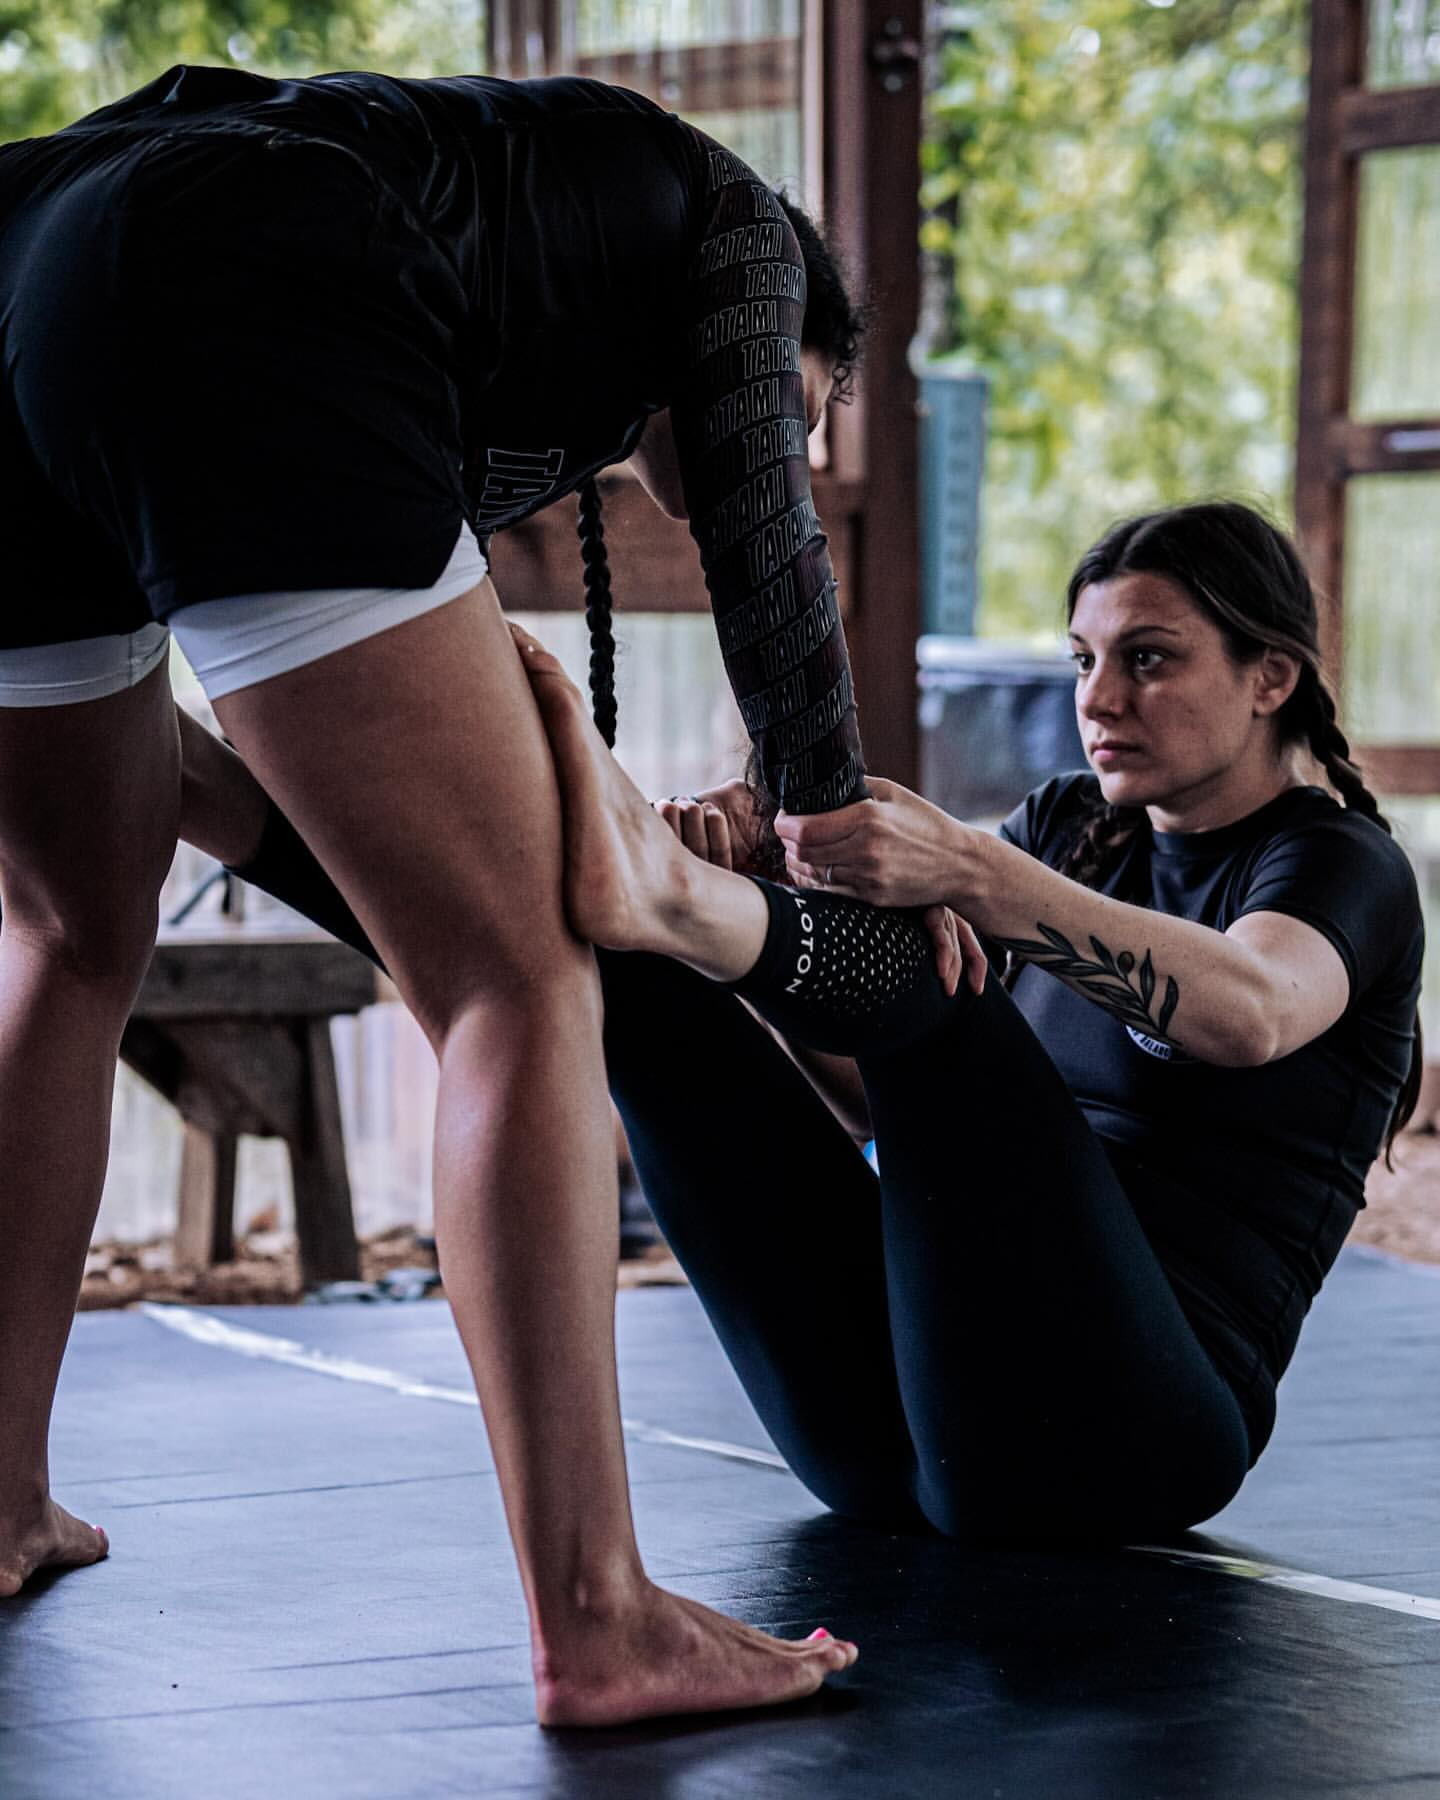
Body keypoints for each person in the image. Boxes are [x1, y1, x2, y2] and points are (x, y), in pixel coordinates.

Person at [0, 64, 880, 1726]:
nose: (799, 434)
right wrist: (832, 836)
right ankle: (601, 1619)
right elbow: (773, 559)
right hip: (224, 251)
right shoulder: (746, 238)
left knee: (66, 928)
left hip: (26, 270)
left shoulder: (530, 265)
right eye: (814, 404)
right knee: (517, 976)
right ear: (805, 343)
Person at [508, 498, 1423, 1540]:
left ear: (1271, 677)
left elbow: (1252, 1012)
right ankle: (463, 827)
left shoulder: (1341, 864)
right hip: (906, 1430)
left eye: (1149, 659)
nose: (1100, 699)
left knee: (932, 977)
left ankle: (682, 899)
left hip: (1127, 1438)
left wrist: (967, 868)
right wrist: (756, 963)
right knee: (646, 982)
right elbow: (890, 1105)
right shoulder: (1072, 826)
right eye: (1083, 661)